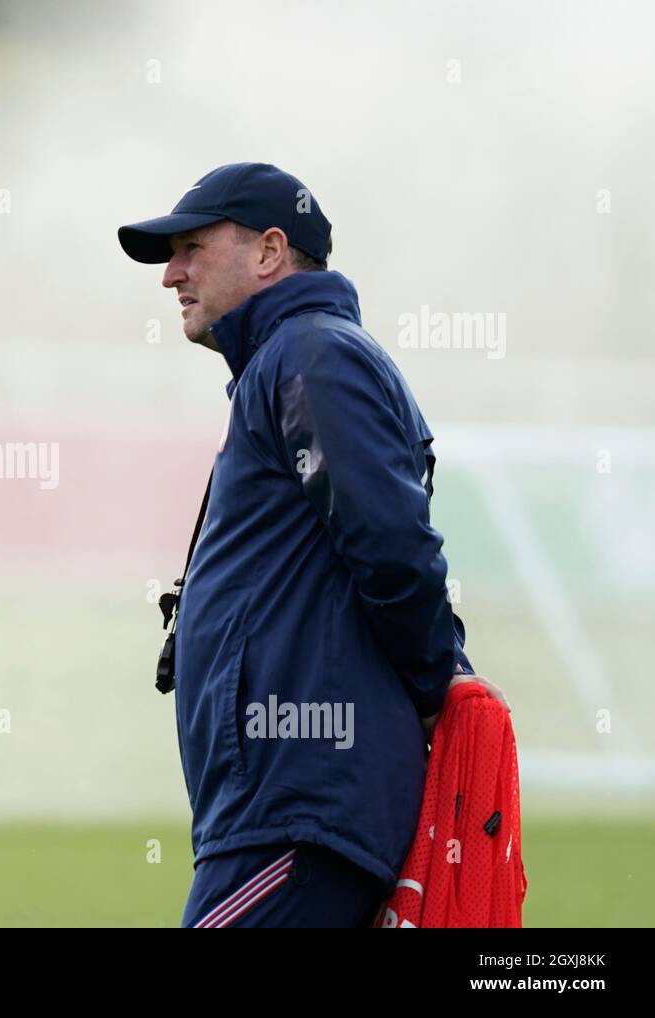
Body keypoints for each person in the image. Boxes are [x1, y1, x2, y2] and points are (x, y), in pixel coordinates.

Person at [118, 162, 507, 928]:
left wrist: (436, 691)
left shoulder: (312, 355)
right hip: (284, 807)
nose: (171, 275)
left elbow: (392, 544)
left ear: (269, 252)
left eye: (191, 247)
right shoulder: (294, 359)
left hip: (299, 807)